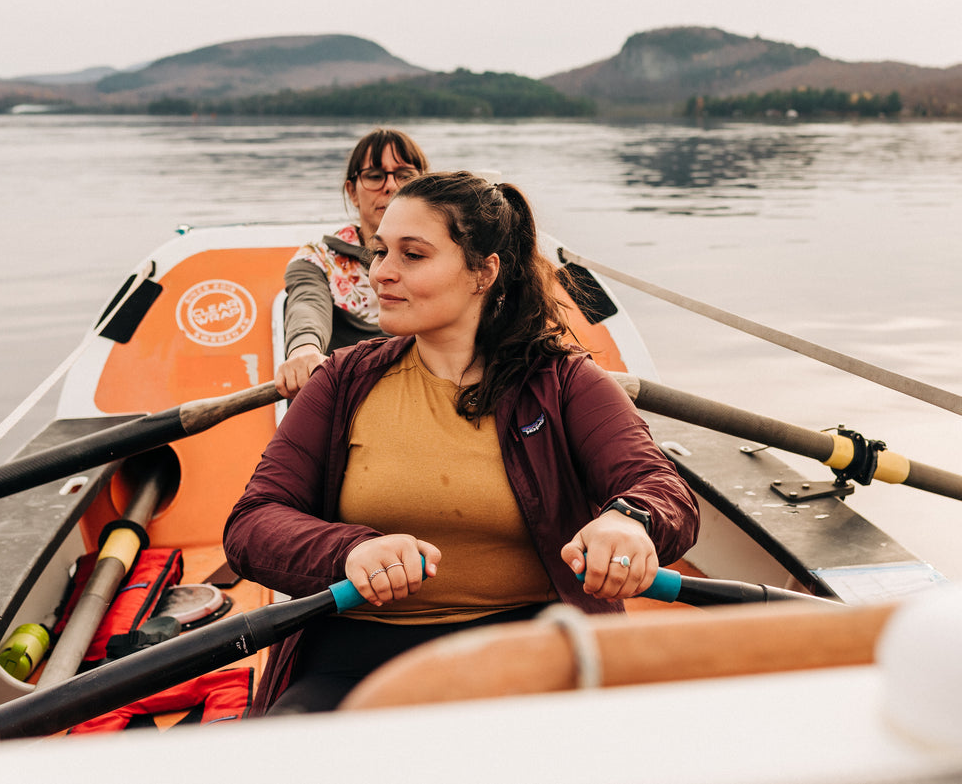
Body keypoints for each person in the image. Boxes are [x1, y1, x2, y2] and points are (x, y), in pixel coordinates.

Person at [225, 171, 700, 715]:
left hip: (530, 638)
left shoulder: (564, 381)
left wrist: (629, 520)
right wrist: (350, 549)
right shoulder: (343, 380)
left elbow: (661, 487)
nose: (382, 273)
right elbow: (252, 523)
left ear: (483, 272)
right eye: (381, 252)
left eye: (413, 255)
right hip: (358, 646)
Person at [275, 128, 429, 398]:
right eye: (375, 176)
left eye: (405, 175)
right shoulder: (317, 259)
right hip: (354, 400)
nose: (390, 186)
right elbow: (306, 305)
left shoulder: (450, 255)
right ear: (353, 192)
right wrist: (305, 350)